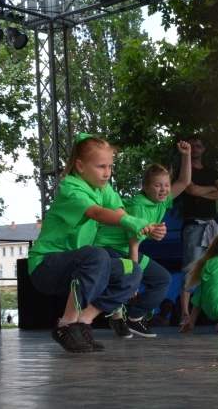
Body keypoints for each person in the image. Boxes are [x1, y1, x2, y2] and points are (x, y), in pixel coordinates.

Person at [27, 134, 149, 353]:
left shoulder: (103, 189)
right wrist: (132, 221)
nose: (107, 173)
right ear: (80, 166)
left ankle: (83, 322)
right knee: (97, 254)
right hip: (46, 266)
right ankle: (66, 325)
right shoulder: (71, 189)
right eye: (101, 167)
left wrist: (142, 226)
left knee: (131, 269)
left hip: (78, 267)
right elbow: (98, 213)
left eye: (110, 166)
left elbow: (118, 212)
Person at [94, 141, 192, 338]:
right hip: (108, 247)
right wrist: (134, 281)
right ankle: (117, 319)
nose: (164, 189)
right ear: (146, 188)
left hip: (127, 249)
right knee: (126, 275)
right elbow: (133, 245)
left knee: (162, 279)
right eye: (158, 185)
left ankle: (134, 319)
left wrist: (186, 155)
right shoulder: (139, 207)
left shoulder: (161, 203)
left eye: (166, 185)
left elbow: (184, 182)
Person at [177, 134, 218, 325]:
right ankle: (185, 313)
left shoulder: (212, 171)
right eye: (192, 146)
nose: (195, 149)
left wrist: (201, 189)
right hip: (194, 224)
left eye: (199, 145)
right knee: (190, 267)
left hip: (213, 224)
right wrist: (208, 190)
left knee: (217, 267)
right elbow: (190, 190)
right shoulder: (185, 170)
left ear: (203, 149)